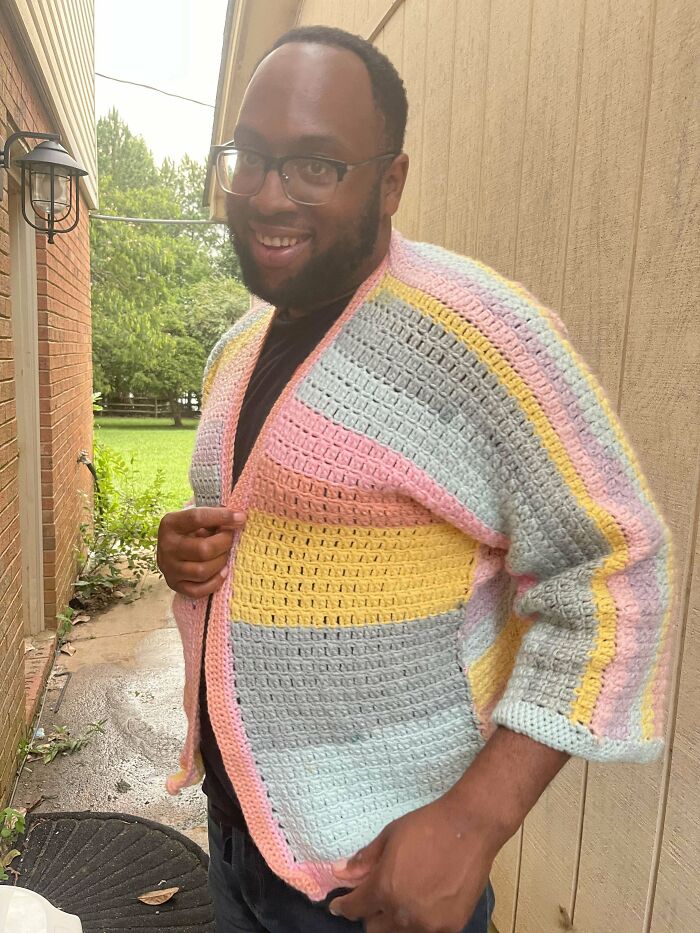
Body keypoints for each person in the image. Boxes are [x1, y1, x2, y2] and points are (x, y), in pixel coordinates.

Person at [156, 26, 673, 933]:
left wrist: (474, 823)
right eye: (254, 158)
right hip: (238, 838)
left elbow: (614, 570)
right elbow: (268, 526)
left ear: (390, 181)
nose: (269, 195)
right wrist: (191, 555)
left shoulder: (477, 337)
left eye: (315, 165)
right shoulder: (236, 349)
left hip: (382, 882)